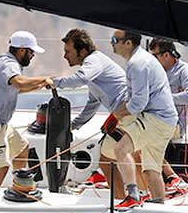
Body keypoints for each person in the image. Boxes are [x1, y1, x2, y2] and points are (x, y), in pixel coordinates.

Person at [102, 30, 177, 211]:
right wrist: (117, 115)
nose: (111, 43)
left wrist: (116, 116)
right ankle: (159, 205)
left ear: (128, 43)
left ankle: (132, 195)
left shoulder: (137, 63)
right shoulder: (141, 60)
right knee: (152, 168)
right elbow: (134, 99)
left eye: (115, 40)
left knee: (120, 149)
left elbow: (138, 103)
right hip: (166, 121)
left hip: (155, 118)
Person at [46, 29, 128, 195]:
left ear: (82, 51)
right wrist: (73, 125)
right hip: (123, 114)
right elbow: (93, 102)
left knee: (108, 159)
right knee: (111, 159)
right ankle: (124, 198)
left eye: (68, 51)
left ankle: (125, 199)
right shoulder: (92, 67)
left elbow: (80, 79)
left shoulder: (93, 61)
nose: (65, 56)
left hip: (129, 112)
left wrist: (54, 82)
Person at [0, 31, 48, 185]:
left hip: (4, 125)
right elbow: (19, 82)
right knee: (0, 167)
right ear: (22, 50)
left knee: (22, 149)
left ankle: (18, 187)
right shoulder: (8, 64)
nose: (33, 56)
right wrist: (46, 78)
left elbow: (17, 88)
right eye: (31, 52)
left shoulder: (7, 62)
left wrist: (41, 85)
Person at [148, 38, 188, 194]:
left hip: (174, 124)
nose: (152, 60)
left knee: (142, 139)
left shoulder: (184, 70)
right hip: (156, 119)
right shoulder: (157, 71)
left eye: (155, 56)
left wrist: (165, 97)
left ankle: (172, 177)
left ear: (166, 55)